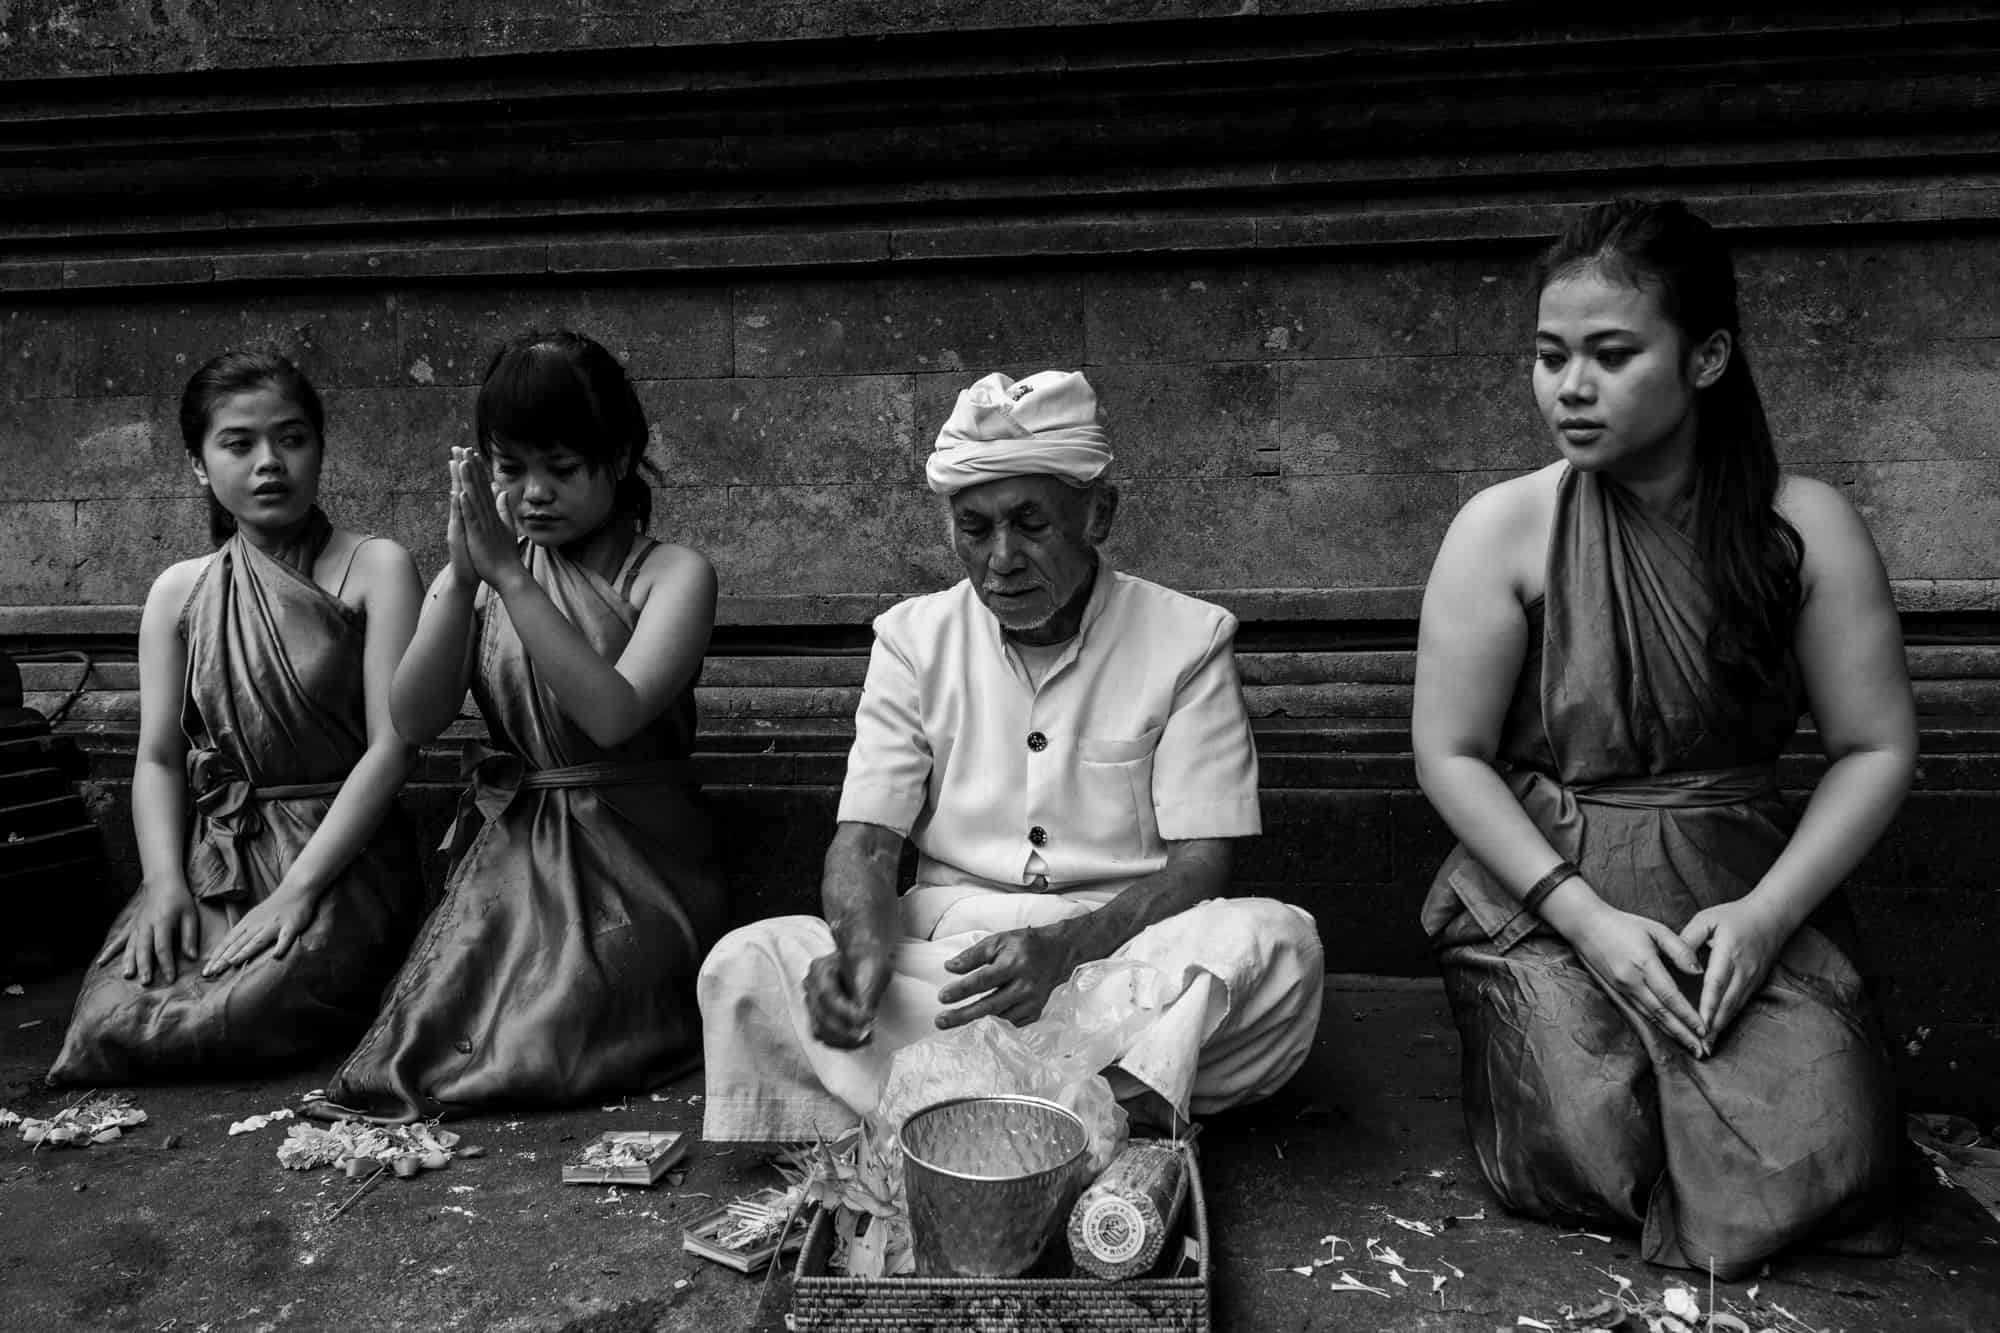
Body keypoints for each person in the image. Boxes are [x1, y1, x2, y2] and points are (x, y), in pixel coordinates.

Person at [1412, 198, 1912, 1277]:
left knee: (1828, 1147)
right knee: (1590, 1144)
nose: (1569, 388)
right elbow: (1448, 754)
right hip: (1545, 890)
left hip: (1736, 884)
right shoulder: (1502, 526)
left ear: (1706, 357)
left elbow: (1873, 746)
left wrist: (1769, 915)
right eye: (1548, 357)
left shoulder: (1800, 525)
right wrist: (1584, 922)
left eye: (1609, 355)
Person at [697, 369, 1324, 1143]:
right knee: (747, 963)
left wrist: (1070, 950)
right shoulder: (910, 639)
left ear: (1099, 513)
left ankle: (938, 1105)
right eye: (974, 527)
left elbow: (1200, 863)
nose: (1001, 558)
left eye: (1031, 523)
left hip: (1120, 965)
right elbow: (864, 840)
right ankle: (1076, 1107)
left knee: (1280, 946)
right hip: (947, 969)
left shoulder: (1188, 640)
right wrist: (861, 957)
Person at [312, 329, 725, 1122]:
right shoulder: (484, 570)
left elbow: (611, 715)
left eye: (562, 469)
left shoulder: (674, 574)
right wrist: (466, 574)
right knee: (438, 1033)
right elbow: (413, 717)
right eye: (510, 469)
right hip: (514, 856)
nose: (535, 493)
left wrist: (506, 573)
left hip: (641, 865)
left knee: (551, 1029)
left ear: (619, 457)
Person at [50, 352, 428, 1084]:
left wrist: (297, 891)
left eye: (291, 439)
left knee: (240, 1012)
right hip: (216, 857)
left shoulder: (377, 567)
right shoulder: (179, 591)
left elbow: (395, 746)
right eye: (238, 443)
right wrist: (164, 883)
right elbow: (158, 758)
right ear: (199, 464)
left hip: (339, 857)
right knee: (110, 1019)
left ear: (319, 447)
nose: (269, 463)